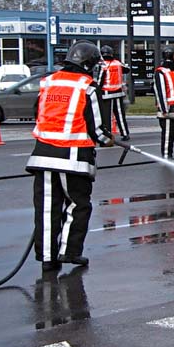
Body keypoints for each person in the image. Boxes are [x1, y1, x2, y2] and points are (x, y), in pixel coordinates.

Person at [26, 40, 113, 272]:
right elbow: (96, 129)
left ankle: (47, 258)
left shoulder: (48, 82)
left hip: (42, 155)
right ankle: (70, 252)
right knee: (78, 205)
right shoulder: (87, 86)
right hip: (73, 157)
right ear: (88, 64)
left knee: (46, 209)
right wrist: (108, 140)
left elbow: (38, 113)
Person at [96, 45, 131, 141]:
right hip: (118, 93)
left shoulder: (103, 65)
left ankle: (108, 135)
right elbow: (127, 69)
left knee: (107, 116)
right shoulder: (117, 63)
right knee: (120, 115)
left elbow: (100, 81)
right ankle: (125, 134)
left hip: (107, 93)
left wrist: (97, 91)